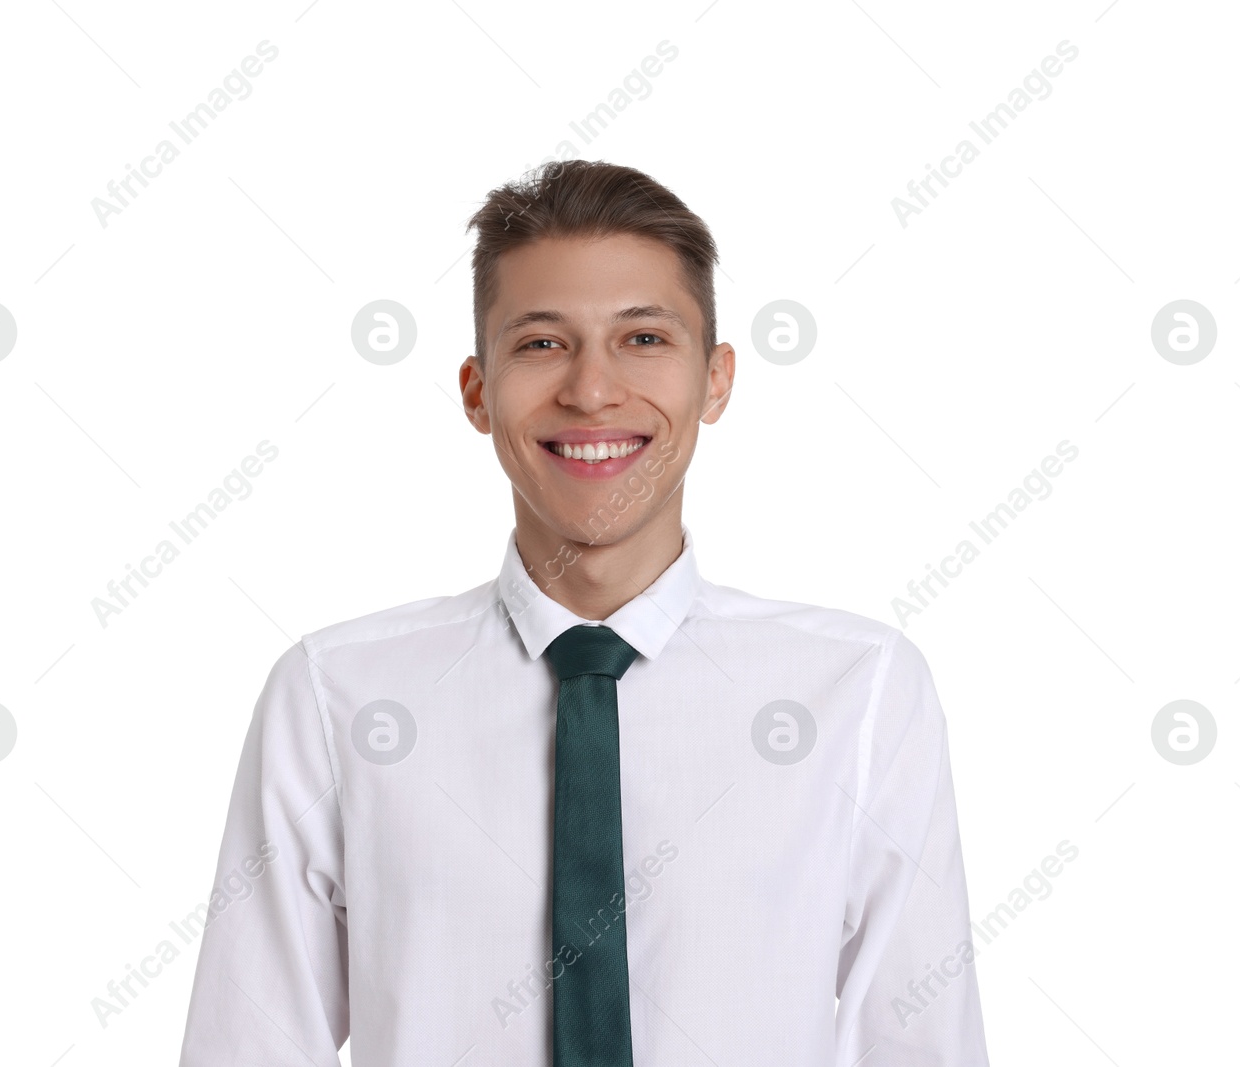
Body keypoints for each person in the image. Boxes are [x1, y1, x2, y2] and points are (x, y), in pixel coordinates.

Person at [178, 160, 989, 1065]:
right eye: (540, 343)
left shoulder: (861, 690)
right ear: (477, 391)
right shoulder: (335, 698)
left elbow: (920, 1042)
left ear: (715, 380)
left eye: (643, 339)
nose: (592, 390)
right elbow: (248, 1044)